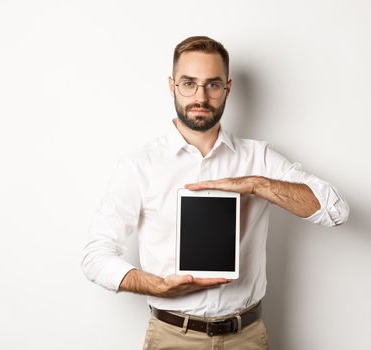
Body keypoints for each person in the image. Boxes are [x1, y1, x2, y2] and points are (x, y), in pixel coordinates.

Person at [81, 36, 349, 350]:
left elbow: (336, 211)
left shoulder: (259, 159)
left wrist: (256, 185)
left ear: (227, 88)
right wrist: (155, 285)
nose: (201, 96)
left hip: (246, 337)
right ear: (172, 86)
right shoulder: (140, 166)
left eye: (212, 84)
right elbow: (95, 256)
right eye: (188, 83)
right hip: (171, 336)